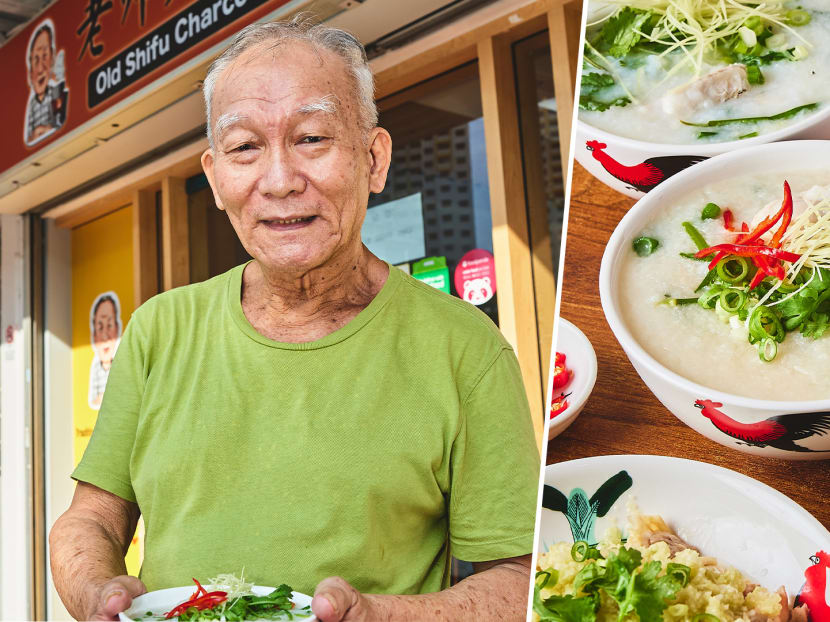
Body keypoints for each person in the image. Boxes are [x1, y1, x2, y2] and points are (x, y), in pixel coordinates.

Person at [50, 18, 540, 622]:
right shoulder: (158, 330)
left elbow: (520, 580)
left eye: (311, 138)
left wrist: (379, 616)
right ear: (215, 177)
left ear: (374, 158)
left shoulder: (466, 348)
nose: (279, 181)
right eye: (245, 148)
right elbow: (91, 517)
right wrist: (97, 593)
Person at [24, 21, 67, 145]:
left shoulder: (54, 94)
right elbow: (29, 139)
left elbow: (59, 124)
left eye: (45, 56)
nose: (40, 68)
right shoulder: (32, 104)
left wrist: (46, 130)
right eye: (35, 59)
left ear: (52, 59)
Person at [88, 293, 123, 410]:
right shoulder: (95, 368)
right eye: (100, 327)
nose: (105, 336)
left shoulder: (121, 366)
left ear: (117, 329)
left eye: (109, 325)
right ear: (94, 335)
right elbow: (93, 400)